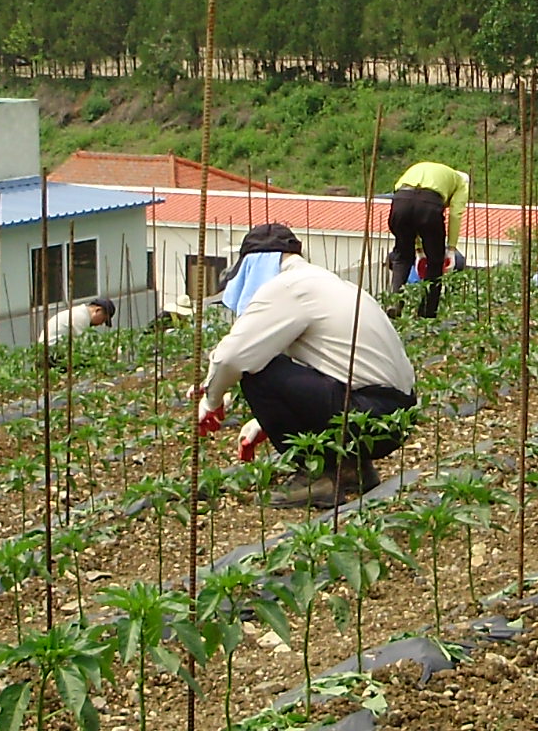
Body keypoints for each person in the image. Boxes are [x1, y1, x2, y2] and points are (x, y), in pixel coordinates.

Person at [195, 222, 418, 507]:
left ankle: (318, 477)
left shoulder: (288, 287)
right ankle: (351, 469)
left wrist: (211, 402)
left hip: (369, 414)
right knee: (270, 365)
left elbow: (231, 357)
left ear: (256, 264)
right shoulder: (328, 283)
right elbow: (321, 371)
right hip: (395, 417)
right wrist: (265, 420)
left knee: (258, 374)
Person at [386, 160, 470, 319]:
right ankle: (426, 313)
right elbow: (455, 214)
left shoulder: (421, 168)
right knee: (435, 261)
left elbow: (411, 206)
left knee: (402, 257)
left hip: (400, 203)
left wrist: (418, 250)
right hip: (429, 205)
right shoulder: (461, 183)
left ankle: (395, 301)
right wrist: (451, 249)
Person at [41, 295, 117, 343]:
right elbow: (84, 345)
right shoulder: (81, 316)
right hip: (51, 350)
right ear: (98, 310)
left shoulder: (80, 313)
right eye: (103, 319)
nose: (101, 323)